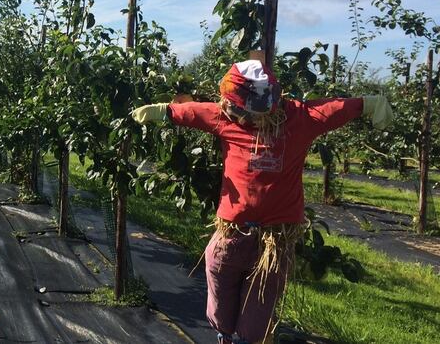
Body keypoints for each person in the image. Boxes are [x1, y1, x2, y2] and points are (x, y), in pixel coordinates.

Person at [130, 59, 393, 344]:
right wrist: (163, 111)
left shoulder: (299, 119)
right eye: (235, 109)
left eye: (245, 111)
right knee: (218, 281)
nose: (241, 117)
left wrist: (369, 104)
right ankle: (223, 335)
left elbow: (334, 108)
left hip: (273, 241)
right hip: (231, 232)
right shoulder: (224, 117)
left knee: (257, 314)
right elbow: (194, 112)